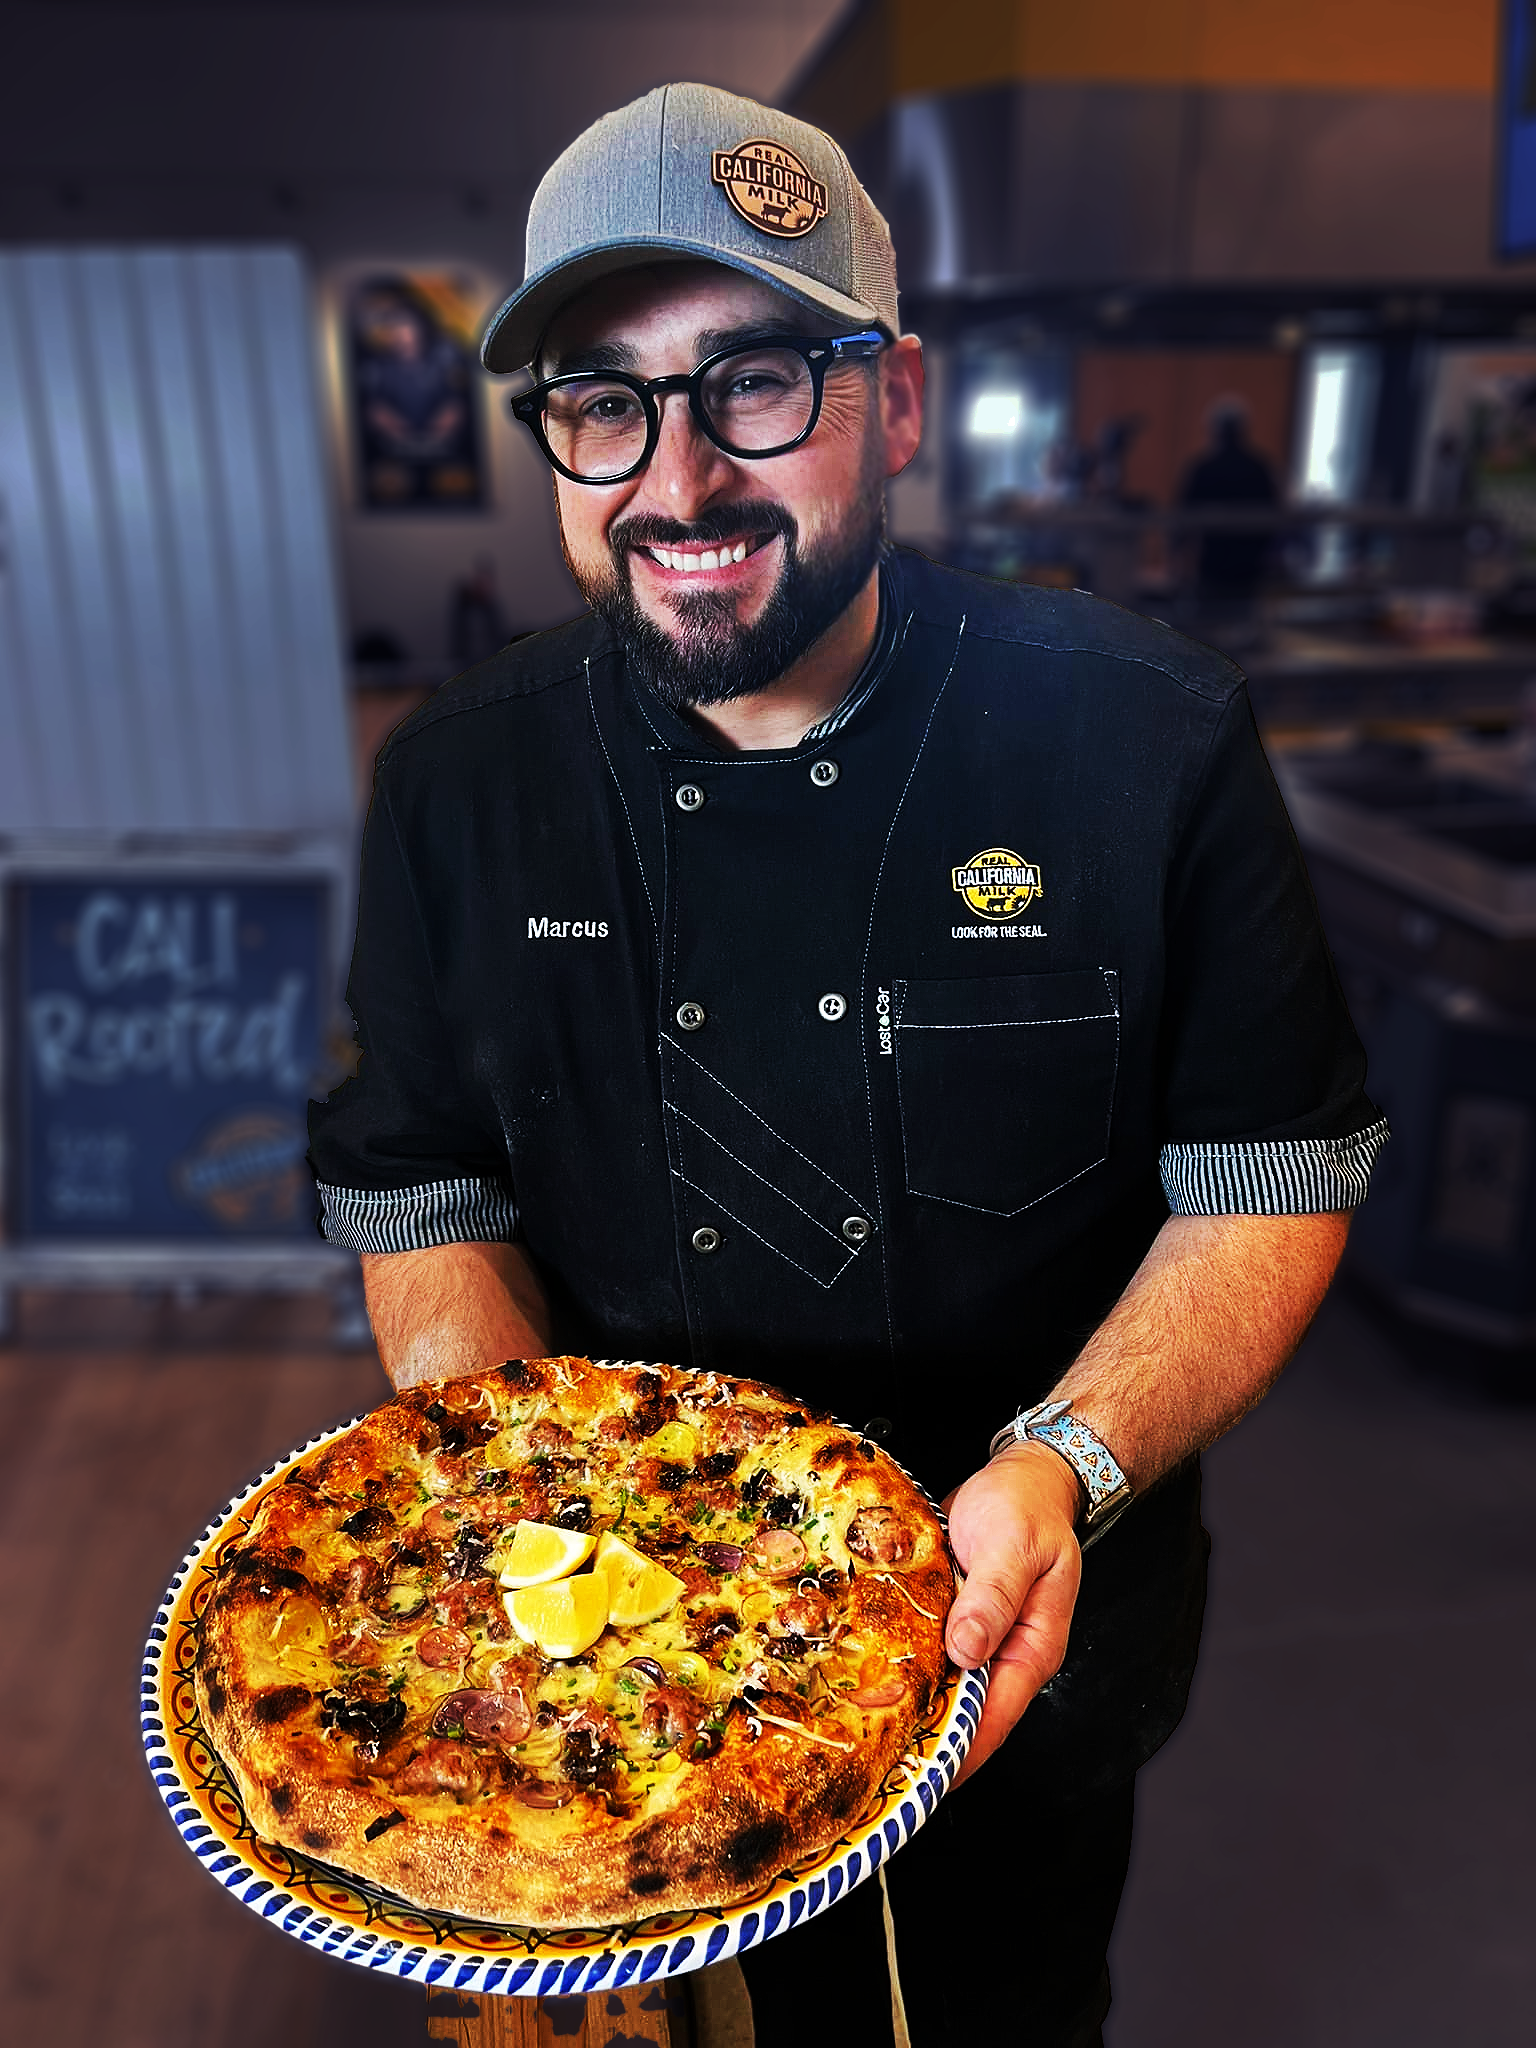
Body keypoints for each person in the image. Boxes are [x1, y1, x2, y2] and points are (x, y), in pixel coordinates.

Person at [309, 84, 1387, 2047]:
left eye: (756, 385)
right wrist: (518, 1506)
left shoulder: (1142, 737)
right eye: (601, 401)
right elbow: (420, 1184)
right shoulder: (459, 778)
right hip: (620, 1685)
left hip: (1021, 1629)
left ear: (895, 401)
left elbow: (1271, 1170)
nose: (675, 479)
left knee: (1010, 2001)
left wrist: (1063, 1461)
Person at [1178, 399, 1280, 602]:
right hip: (1251, 565)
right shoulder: (1260, 468)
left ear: (1214, 430)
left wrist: (1179, 564)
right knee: (1242, 618)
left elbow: (1182, 518)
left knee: (1208, 621)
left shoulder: (1203, 468)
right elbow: (1274, 516)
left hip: (1212, 563)